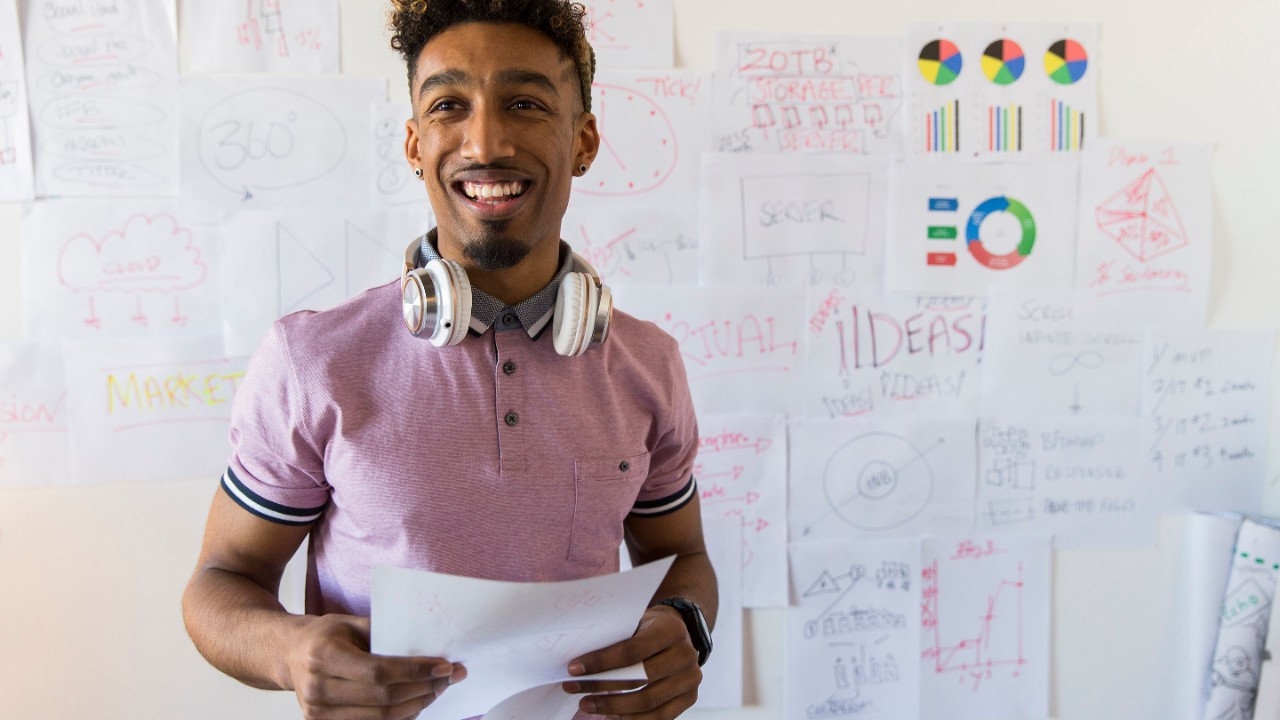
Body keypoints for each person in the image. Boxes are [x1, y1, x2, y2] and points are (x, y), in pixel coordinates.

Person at [181, 1, 717, 719]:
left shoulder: (648, 364)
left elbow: (683, 558)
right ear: (413, 143)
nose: (485, 141)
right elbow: (222, 580)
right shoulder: (311, 362)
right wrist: (291, 652)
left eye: (525, 103)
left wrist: (685, 624)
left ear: (583, 141)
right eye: (448, 106)